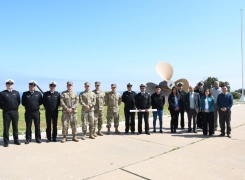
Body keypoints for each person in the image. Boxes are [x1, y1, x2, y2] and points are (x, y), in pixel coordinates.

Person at [0, 79, 21, 147]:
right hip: (6, 112)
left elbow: (18, 102)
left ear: (13, 85)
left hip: (15, 112)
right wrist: (5, 108)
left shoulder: (16, 93)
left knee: (15, 126)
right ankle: (6, 141)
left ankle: (16, 140)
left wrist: (14, 107)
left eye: (11, 84)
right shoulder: (2, 93)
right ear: (6, 85)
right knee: (6, 127)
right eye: (8, 84)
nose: (9, 85)